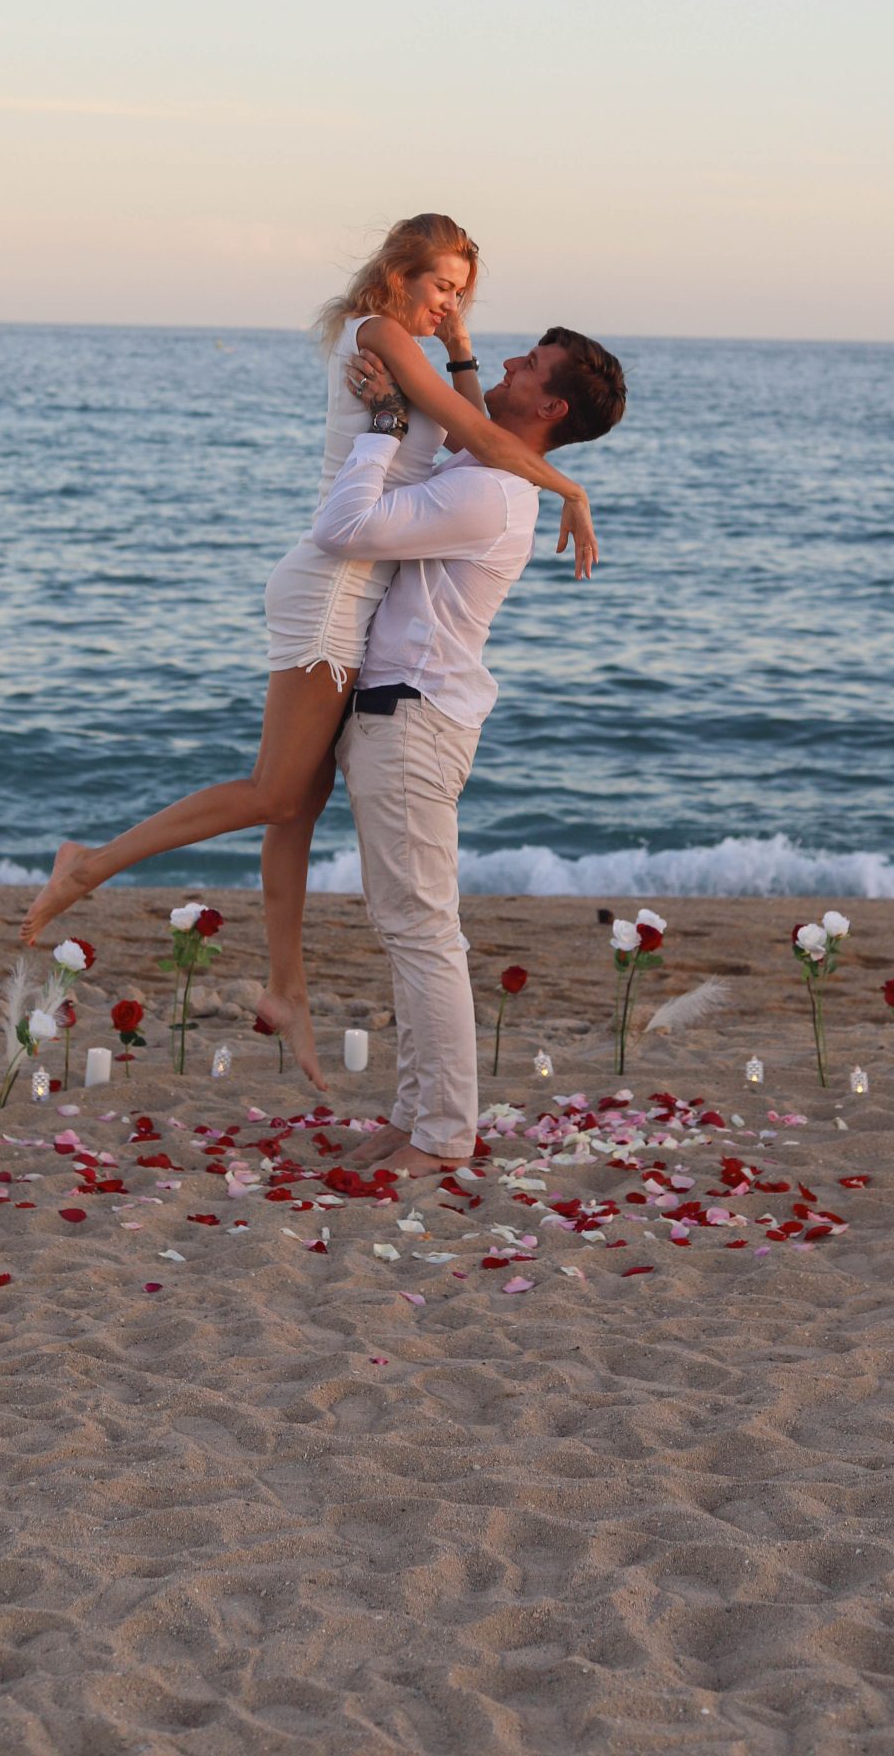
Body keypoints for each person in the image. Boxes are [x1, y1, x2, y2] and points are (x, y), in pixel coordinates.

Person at [18, 214, 599, 1088]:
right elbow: (480, 441)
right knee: (277, 789)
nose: (448, 302)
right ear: (397, 273)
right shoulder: (379, 336)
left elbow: (472, 434)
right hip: (333, 584)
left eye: (459, 292)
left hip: (352, 584)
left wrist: (464, 342)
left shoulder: (405, 340)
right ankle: (87, 866)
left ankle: (286, 985)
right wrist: (573, 486)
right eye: (440, 286)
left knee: (301, 801)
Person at [317, 328, 627, 1176]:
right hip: (401, 716)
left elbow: (343, 527)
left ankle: (443, 1133)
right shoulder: (487, 470)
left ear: (549, 406)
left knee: (423, 935)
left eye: (525, 366)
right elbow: (463, 422)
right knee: (405, 929)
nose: (504, 366)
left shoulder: (490, 493)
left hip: (412, 718)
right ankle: (414, 1117)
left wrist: (382, 420)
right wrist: (451, 346)